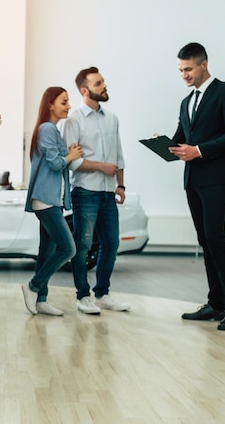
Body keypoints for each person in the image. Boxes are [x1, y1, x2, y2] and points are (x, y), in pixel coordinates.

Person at [167, 42, 225, 330]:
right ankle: (216, 303)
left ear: (203, 64)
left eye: (188, 69)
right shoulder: (186, 102)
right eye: (181, 70)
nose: (184, 75)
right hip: (192, 180)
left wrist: (198, 150)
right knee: (205, 240)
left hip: (216, 177)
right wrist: (166, 146)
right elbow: (180, 138)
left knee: (215, 238)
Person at [60, 67, 131, 315]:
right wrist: (102, 167)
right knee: (83, 245)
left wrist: (120, 184)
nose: (104, 86)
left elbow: (118, 155)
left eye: (103, 82)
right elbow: (72, 161)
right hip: (85, 191)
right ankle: (83, 296)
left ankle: (103, 294)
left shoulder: (112, 119)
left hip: (108, 193)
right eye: (98, 83)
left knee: (111, 244)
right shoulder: (73, 120)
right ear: (84, 90)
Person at [21, 86, 82, 316]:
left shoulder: (51, 130)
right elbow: (56, 164)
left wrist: (68, 154)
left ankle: (41, 300)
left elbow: (55, 161)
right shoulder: (47, 128)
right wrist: (70, 156)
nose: (68, 106)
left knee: (47, 251)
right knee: (68, 248)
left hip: (50, 199)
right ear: (50, 105)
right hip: (45, 199)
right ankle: (33, 286)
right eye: (64, 102)